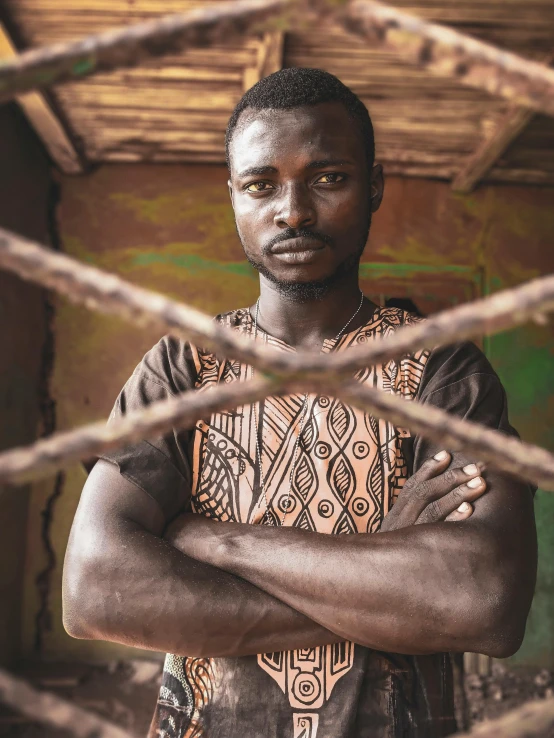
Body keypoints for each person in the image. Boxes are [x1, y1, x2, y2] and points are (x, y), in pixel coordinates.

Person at [63, 68, 536, 738]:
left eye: (328, 178)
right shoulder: (181, 368)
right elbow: (95, 591)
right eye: (262, 184)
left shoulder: (443, 372)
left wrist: (212, 541)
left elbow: (483, 602)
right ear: (233, 195)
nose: (293, 210)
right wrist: (383, 570)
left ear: (373, 187)